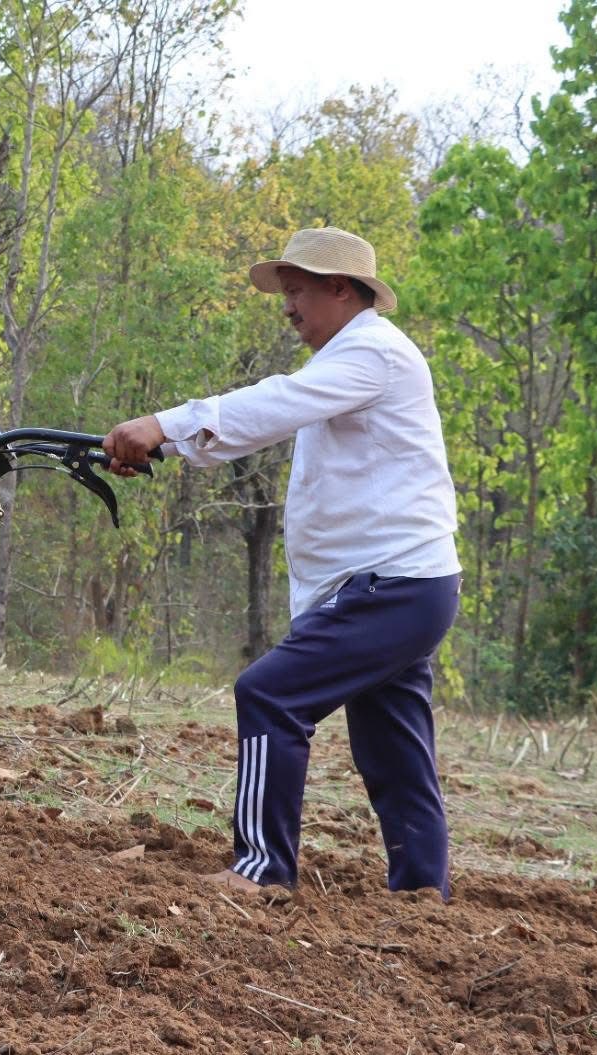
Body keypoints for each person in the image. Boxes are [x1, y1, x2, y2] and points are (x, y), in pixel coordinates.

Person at [101, 226, 462, 898]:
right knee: (393, 751)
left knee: (268, 694)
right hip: (404, 584)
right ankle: (421, 901)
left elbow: (273, 405)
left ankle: (263, 869)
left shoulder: (374, 354)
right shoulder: (348, 362)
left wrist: (164, 425)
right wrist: (165, 446)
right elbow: (272, 414)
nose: (288, 306)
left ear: (339, 288)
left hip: (395, 584)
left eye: (296, 290)